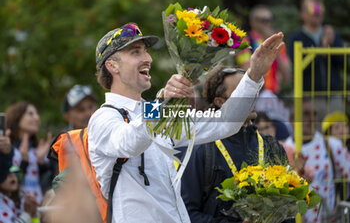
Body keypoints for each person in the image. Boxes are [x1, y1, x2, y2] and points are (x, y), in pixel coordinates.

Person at [88, 22, 284, 222]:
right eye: (135, 52)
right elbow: (130, 142)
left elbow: (226, 123)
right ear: (112, 66)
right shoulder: (102, 118)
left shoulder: (153, 111)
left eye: (145, 52)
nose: (148, 59)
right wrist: (163, 101)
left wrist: (254, 75)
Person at [180, 66, 292, 223]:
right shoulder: (202, 148)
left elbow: (287, 208)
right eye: (242, 93)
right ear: (220, 102)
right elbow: (186, 213)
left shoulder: (272, 146)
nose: (251, 97)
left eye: (251, 91)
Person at [284, 99, 350, 223]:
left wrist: (341, 206)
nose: (311, 118)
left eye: (314, 114)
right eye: (306, 114)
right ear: (292, 120)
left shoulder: (332, 146)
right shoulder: (282, 150)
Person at [287, 0, 344, 92]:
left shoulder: (331, 34)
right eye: (312, 9)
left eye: (320, 9)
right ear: (302, 14)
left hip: (333, 95)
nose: (317, 13)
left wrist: (332, 44)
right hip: (308, 97)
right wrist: (323, 48)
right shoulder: (296, 38)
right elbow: (297, 69)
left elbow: (343, 63)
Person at [235, 5, 291, 94]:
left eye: (269, 20)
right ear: (252, 22)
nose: (267, 24)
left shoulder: (278, 41)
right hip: (253, 95)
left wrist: (275, 47)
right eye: (263, 21)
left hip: (274, 95)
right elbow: (246, 69)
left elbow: (287, 76)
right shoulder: (245, 41)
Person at [5, 102, 52, 204]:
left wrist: (42, 163)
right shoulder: (7, 151)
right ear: (16, 118)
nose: (37, 118)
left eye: (37, 114)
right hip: (16, 209)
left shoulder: (39, 151)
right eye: (30, 114)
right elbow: (8, 183)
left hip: (39, 210)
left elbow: (49, 187)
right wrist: (24, 162)